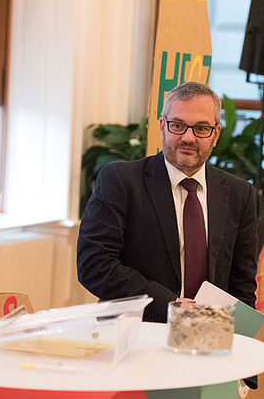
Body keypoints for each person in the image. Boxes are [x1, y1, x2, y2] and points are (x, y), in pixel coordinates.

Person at [77, 81, 257, 323]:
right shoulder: (121, 181)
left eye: (201, 128)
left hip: (210, 334)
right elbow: (94, 265)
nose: (188, 137)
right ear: (162, 126)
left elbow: (243, 287)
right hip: (137, 330)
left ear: (215, 134)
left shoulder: (239, 193)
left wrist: (239, 337)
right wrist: (171, 306)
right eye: (178, 125)